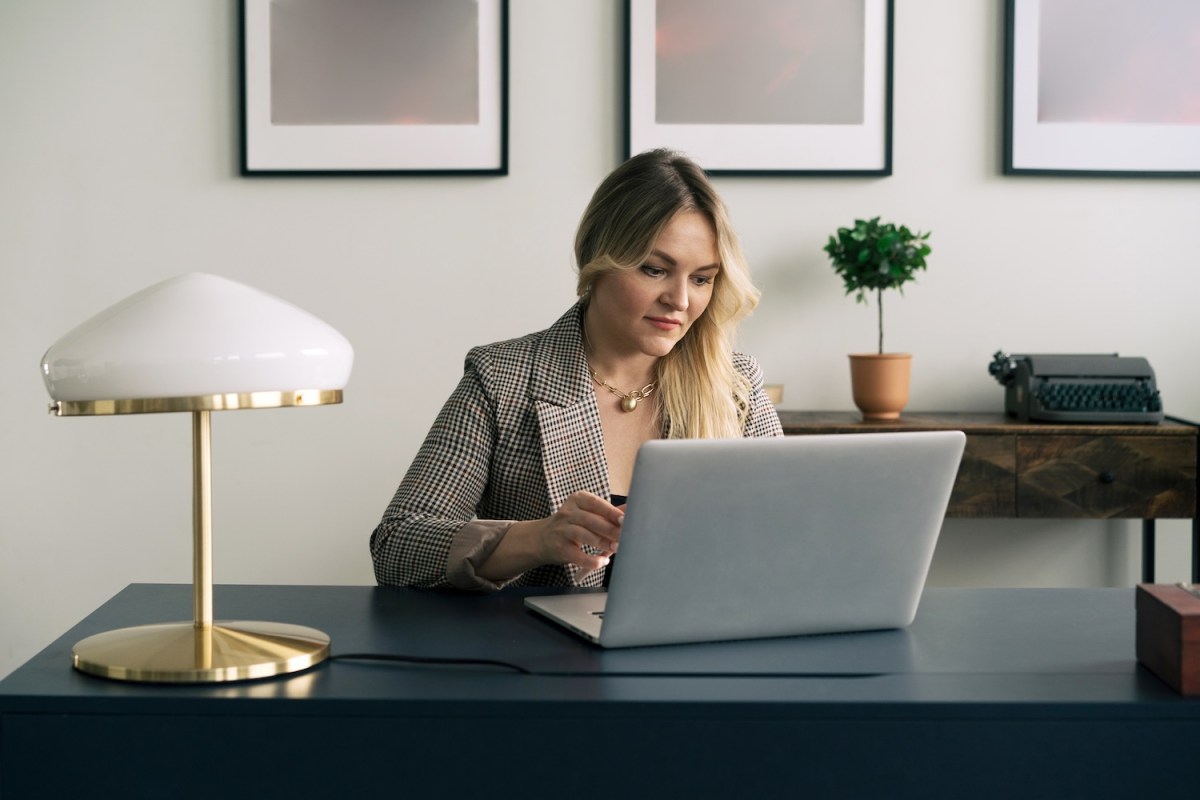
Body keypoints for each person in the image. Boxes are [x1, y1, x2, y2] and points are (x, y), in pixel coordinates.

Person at [370, 148, 783, 590]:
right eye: (655, 269)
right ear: (598, 261)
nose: (681, 300)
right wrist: (537, 538)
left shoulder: (735, 385)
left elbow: (793, 536)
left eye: (702, 278)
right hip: (546, 652)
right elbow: (397, 548)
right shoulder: (502, 378)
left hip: (701, 649)